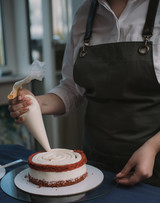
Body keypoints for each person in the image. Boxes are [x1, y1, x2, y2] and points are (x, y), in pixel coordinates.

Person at [8, 0, 160, 187]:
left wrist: (153, 147)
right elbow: (71, 89)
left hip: (153, 165)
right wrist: (34, 104)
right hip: (96, 162)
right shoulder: (84, 14)